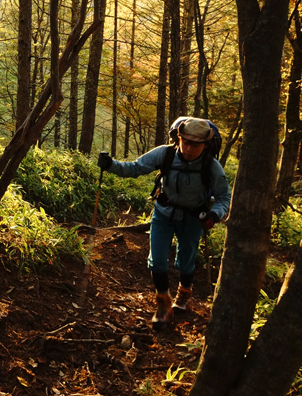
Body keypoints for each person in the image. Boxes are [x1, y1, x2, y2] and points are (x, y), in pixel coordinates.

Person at [97, 117, 231, 325]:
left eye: (195, 145)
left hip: (193, 218)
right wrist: (111, 165)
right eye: (185, 142)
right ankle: (163, 304)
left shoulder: (211, 166)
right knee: (157, 260)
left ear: (205, 145)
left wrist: (214, 215)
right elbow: (135, 168)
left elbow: (224, 197)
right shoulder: (165, 153)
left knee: (185, 262)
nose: (188, 148)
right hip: (163, 213)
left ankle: (184, 293)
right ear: (178, 138)